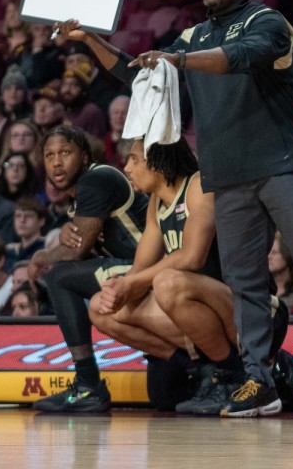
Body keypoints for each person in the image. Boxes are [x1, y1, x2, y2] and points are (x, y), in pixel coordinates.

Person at [55, 0, 293, 418]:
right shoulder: (191, 38)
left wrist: (180, 59)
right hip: (227, 176)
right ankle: (258, 380)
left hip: (281, 165)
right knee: (246, 282)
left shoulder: (269, 21)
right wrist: (88, 39)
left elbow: (239, 57)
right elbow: (139, 75)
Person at [88, 138, 262, 415]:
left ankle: (233, 375)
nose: (127, 168)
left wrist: (133, 282)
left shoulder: (199, 186)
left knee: (167, 281)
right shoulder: (156, 203)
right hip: (196, 313)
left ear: (158, 162)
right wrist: (120, 288)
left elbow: (193, 257)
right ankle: (200, 368)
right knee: (101, 307)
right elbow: (139, 269)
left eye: (134, 160)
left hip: (246, 309)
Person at [26, 126, 148, 413]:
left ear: (83, 157)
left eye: (65, 153)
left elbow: (77, 250)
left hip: (146, 266)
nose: (56, 162)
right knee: (164, 393)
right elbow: (86, 247)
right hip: (132, 268)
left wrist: (42, 256)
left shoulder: (96, 179)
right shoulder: (81, 196)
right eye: (49, 155)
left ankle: (87, 382)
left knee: (58, 277)